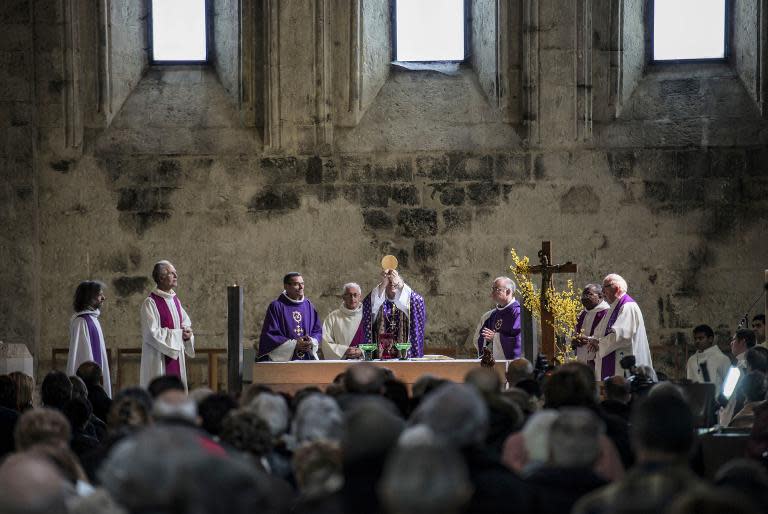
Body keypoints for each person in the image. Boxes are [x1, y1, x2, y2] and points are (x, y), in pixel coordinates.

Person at [577, 274, 656, 381]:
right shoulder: (614, 306)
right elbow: (600, 331)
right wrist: (591, 340)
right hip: (611, 361)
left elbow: (621, 335)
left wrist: (599, 344)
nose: (603, 293)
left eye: (605, 288)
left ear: (617, 288)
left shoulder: (627, 306)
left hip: (621, 363)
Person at [139, 260, 195, 389]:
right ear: (161, 277)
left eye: (176, 273)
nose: (176, 276)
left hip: (176, 357)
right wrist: (179, 334)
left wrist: (188, 334)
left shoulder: (175, 300)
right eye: (172, 273)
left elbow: (186, 324)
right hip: (158, 358)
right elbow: (151, 334)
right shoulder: (150, 303)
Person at [360, 268, 426, 359]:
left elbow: (418, 302)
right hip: (380, 355)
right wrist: (382, 284)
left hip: (405, 354)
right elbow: (368, 308)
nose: (392, 284)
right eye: (389, 282)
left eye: (395, 282)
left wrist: (400, 284)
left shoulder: (406, 301)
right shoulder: (378, 300)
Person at [258, 272, 323, 361]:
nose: (301, 287)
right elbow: (270, 335)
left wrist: (311, 342)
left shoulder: (308, 305)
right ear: (286, 286)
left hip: (307, 359)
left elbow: (317, 330)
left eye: (302, 283)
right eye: (296, 284)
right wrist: (295, 344)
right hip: (285, 361)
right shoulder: (276, 306)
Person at [66, 281, 112, 398]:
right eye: (100, 294)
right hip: (87, 384)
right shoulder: (81, 322)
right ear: (89, 297)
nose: (103, 297)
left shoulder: (93, 319)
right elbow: (82, 356)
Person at [472, 277, 522, 360]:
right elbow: (478, 338)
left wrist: (495, 338)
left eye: (497, 289)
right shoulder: (490, 315)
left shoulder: (518, 313)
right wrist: (487, 341)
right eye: (492, 289)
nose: (492, 292)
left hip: (512, 366)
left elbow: (519, 341)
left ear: (508, 291)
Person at [321, 282, 364, 360]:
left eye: (355, 295)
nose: (352, 298)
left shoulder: (367, 316)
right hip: (341, 363)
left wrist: (362, 351)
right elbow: (325, 343)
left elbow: (374, 340)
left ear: (360, 297)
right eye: (349, 295)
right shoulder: (332, 317)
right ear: (343, 297)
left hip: (364, 363)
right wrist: (344, 351)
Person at [571, 284, 610, 369]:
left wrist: (587, 339)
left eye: (589, 294)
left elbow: (608, 338)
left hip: (598, 361)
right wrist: (574, 340)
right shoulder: (582, 314)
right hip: (581, 360)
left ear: (600, 296)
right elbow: (572, 334)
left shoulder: (607, 313)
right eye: (583, 295)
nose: (584, 297)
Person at [685, 324, 732, 394]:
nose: (697, 341)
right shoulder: (691, 360)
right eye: (695, 338)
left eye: (701, 338)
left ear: (710, 339)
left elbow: (729, 385)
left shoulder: (722, 359)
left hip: (717, 402)